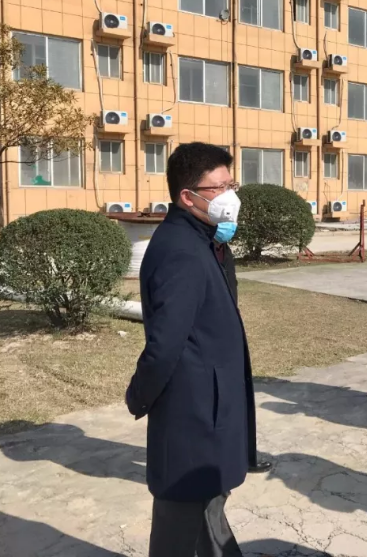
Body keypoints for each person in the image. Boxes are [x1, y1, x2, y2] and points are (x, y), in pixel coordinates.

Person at [126, 143, 255, 557]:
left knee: (208, 505)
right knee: (179, 519)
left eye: (232, 185)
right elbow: (165, 343)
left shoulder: (205, 240)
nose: (230, 196)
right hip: (193, 411)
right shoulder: (180, 251)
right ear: (188, 196)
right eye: (219, 188)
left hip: (211, 408)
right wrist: (139, 395)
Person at [216, 234, 272, 475]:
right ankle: (219, 467)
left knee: (240, 399)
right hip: (210, 336)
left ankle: (244, 457)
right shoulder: (197, 250)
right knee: (218, 404)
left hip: (231, 329)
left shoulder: (223, 250)